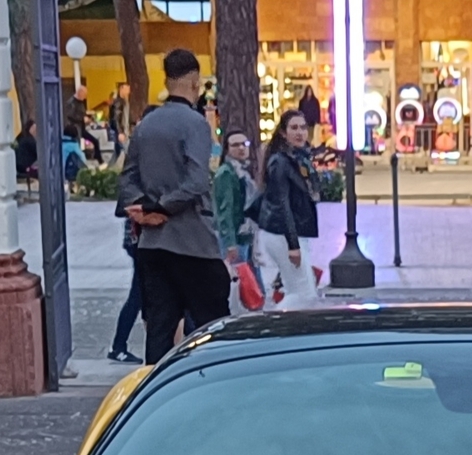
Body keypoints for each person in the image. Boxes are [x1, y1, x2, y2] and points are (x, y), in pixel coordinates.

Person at [115, 48, 230, 362]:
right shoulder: (195, 124)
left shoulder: (146, 125)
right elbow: (196, 182)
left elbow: (126, 180)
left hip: (153, 246)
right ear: (194, 81)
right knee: (214, 329)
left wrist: (145, 209)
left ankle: (155, 395)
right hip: (193, 243)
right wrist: (161, 208)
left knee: (159, 330)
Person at [255, 110, 322, 310]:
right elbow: (283, 204)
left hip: (289, 233)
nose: (300, 132)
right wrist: (293, 244)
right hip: (283, 234)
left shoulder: (298, 159)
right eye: (294, 128)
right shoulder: (281, 162)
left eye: (303, 127)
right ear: (283, 133)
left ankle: (290, 331)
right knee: (304, 294)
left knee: (304, 291)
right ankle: (274, 329)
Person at [211, 130, 257, 301]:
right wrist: (230, 242)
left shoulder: (242, 171)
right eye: (235, 145)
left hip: (245, 235)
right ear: (227, 149)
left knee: (249, 285)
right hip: (235, 237)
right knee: (239, 287)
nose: (241, 148)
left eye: (244, 144)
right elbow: (225, 211)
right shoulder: (227, 173)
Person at [108, 211, 143, 363]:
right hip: (141, 242)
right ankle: (118, 348)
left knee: (137, 297)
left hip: (138, 241)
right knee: (137, 297)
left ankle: (119, 347)